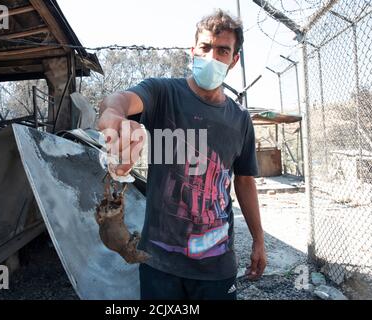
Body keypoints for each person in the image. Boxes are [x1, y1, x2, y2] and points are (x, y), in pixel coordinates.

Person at [98, 8, 266, 300]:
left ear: (234, 60)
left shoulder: (240, 119)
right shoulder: (163, 93)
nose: (212, 57)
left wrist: (259, 240)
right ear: (193, 51)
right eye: (205, 47)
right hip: (159, 261)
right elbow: (122, 99)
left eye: (223, 51)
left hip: (217, 263)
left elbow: (244, 181)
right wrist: (114, 113)